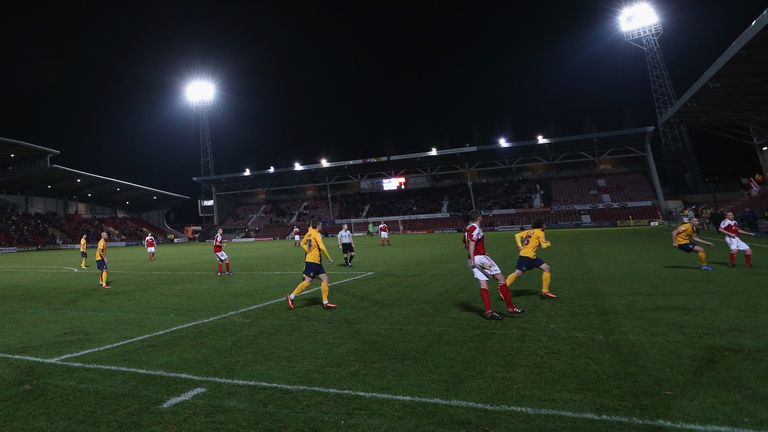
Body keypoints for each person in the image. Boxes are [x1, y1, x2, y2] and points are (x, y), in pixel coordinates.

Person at [464, 210, 524, 320]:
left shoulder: (467, 229)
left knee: (484, 284)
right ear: (479, 218)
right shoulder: (476, 228)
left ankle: (489, 312)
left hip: (473, 259)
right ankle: (511, 307)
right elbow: (472, 243)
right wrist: (476, 257)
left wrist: (478, 253)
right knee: (501, 279)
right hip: (479, 259)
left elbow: (466, 245)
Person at [286, 220, 337, 310]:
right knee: (308, 281)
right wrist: (329, 258)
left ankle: (325, 302)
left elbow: (302, 243)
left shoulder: (309, 233)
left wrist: (308, 250)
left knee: (325, 279)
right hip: (313, 261)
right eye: (321, 225)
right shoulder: (316, 234)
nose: (322, 226)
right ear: (318, 226)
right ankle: (291, 297)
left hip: (315, 261)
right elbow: (322, 247)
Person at [506, 220, 557, 299]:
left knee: (547, 268)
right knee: (518, 273)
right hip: (526, 256)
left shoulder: (529, 231)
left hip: (532, 256)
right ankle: (503, 288)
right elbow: (544, 246)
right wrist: (548, 243)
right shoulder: (540, 233)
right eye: (544, 225)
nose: (545, 226)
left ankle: (545, 291)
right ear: (541, 226)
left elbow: (517, 235)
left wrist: (520, 245)